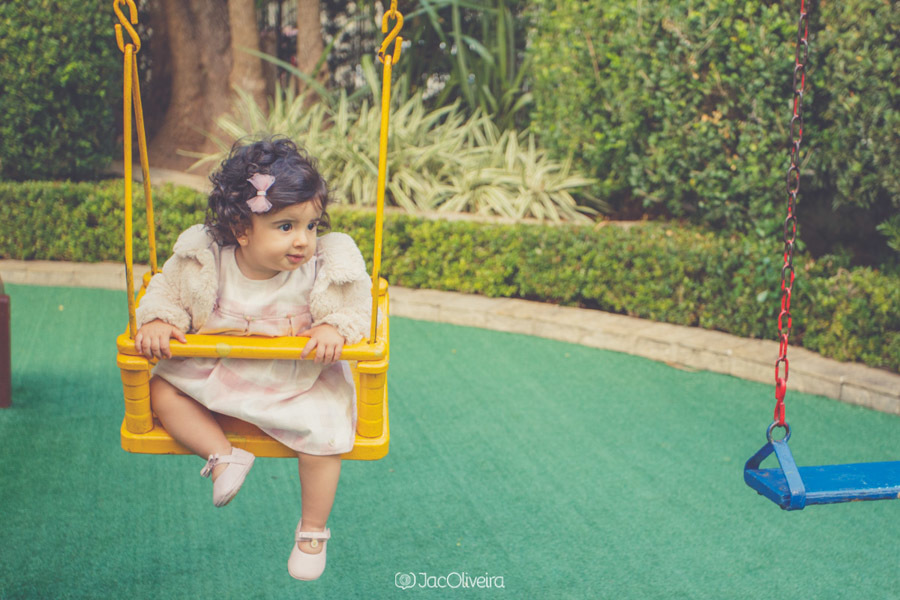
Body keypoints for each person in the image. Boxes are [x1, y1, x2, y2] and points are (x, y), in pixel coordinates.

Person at [133, 137, 371, 581]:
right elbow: (166, 291)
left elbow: (356, 306)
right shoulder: (206, 263)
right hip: (223, 368)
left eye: (312, 226)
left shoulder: (322, 270)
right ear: (242, 229)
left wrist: (333, 327)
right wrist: (160, 321)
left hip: (296, 378)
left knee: (325, 434)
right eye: (285, 227)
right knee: (160, 389)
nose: (303, 241)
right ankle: (223, 455)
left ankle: (313, 530)